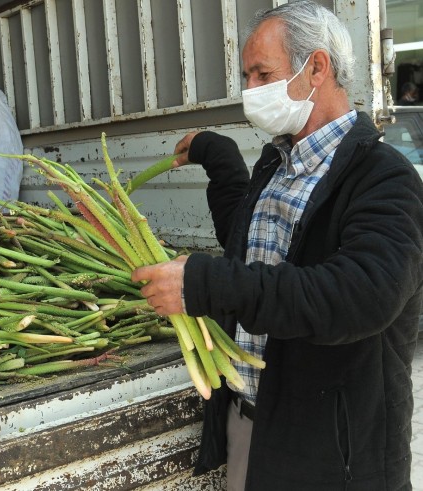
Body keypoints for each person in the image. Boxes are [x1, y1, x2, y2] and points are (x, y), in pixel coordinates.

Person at [131, 2, 423, 490]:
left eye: (262, 73)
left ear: (317, 68)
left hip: (333, 453)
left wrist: (205, 284)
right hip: (254, 421)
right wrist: (220, 160)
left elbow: (359, 298)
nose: (251, 91)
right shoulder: (278, 162)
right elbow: (250, 251)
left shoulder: (384, 177)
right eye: (247, 76)